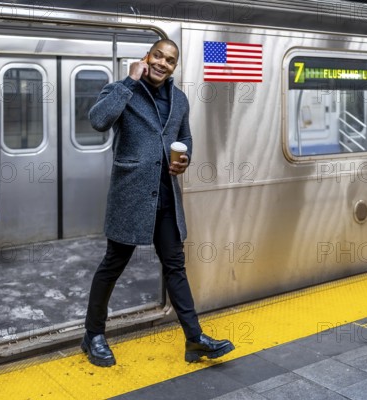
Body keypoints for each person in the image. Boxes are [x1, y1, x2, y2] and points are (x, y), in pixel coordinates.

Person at [81, 39, 234, 367]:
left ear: (175, 66)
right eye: (158, 56)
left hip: (166, 198)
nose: (163, 63)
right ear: (147, 57)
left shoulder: (179, 99)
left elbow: (186, 137)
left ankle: (194, 340)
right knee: (112, 266)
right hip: (131, 196)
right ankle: (92, 334)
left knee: (175, 267)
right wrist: (129, 81)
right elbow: (98, 120)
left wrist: (185, 159)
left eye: (171, 60)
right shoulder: (123, 89)